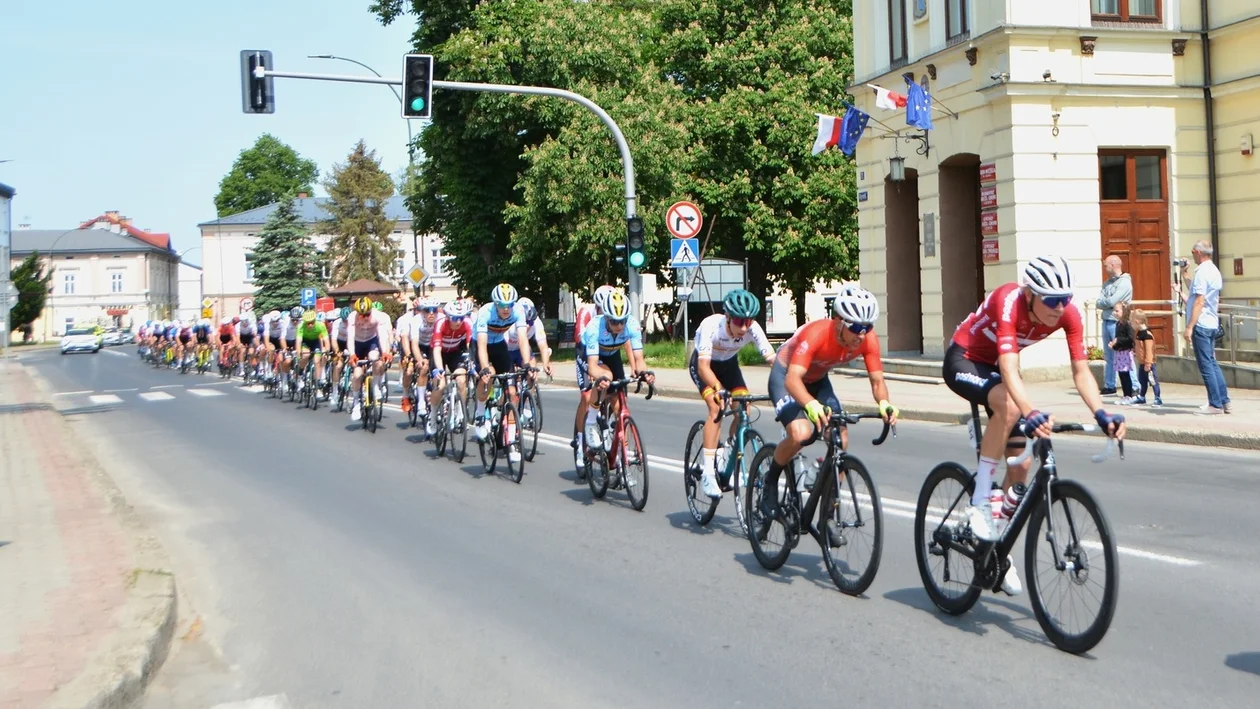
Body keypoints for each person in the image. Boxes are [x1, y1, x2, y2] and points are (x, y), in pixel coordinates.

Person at [943, 255, 1126, 596]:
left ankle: (998, 551)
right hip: (965, 359)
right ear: (1031, 294)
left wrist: (1102, 414)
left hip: (996, 371)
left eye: (1065, 299)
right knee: (1011, 406)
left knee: (1022, 464)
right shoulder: (1009, 300)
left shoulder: (1067, 315)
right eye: (1051, 301)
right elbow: (1011, 371)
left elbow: (1081, 371)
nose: (1060, 308)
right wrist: (1030, 411)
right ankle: (982, 497)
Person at [761, 284, 899, 520]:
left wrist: (885, 403)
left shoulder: (867, 340)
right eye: (856, 327)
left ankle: (827, 517)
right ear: (838, 321)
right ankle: (770, 480)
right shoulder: (816, 334)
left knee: (841, 440)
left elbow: (877, 381)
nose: (862, 334)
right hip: (786, 377)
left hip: (818, 380)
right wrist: (811, 406)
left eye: (867, 327)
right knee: (802, 433)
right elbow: (793, 380)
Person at [690, 288, 776, 499]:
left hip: (729, 367)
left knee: (743, 407)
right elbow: (703, 367)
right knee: (717, 406)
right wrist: (718, 388)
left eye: (749, 321)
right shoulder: (711, 325)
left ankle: (727, 452)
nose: (745, 327)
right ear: (728, 317)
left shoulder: (752, 329)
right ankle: (709, 472)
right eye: (739, 321)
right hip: (706, 368)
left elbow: (774, 360)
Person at [576, 291, 655, 478]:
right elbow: (594, 366)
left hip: (612, 355)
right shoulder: (595, 327)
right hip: (589, 355)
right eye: (614, 322)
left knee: (621, 407)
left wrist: (644, 373)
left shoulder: (632, 326)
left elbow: (639, 359)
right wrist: (601, 379)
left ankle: (620, 455)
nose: (619, 326)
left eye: (622, 321)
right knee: (606, 376)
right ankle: (590, 423)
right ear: (607, 318)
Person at [471, 284, 532, 463]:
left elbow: (522, 339)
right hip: (479, 344)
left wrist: (526, 363)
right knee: (488, 375)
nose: (506, 309)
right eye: (502, 305)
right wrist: (484, 368)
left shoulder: (518, 310)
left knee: (512, 392)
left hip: (498, 344)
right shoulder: (485, 313)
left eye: (510, 305)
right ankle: (481, 415)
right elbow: (482, 345)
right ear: (495, 303)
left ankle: (511, 441)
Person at [571, 285, 617, 474]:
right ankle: (581, 441)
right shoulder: (586, 312)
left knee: (614, 391)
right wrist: (593, 368)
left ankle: (611, 431)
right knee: (586, 396)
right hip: (586, 353)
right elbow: (581, 338)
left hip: (606, 353)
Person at [1183, 240, 1231, 414]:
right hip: (1211, 322)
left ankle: (1215, 404)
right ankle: (1224, 401)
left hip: (1201, 324)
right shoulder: (1213, 270)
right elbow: (1197, 291)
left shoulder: (1202, 272)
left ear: (1197, 252)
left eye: (1193, 252)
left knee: (1206, 365)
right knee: (1212, 362)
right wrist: (1185, 274)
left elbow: (1199, 300)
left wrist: (1189, 327)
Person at [427, 299, 475, 437]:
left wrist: (472, 363)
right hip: (439, 352)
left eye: (461, 317)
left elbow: (470, 345)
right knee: (440, 385)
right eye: (455, 318)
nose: (458, 321)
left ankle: (460, 413)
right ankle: (433, 415)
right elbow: (436, 350)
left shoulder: (467, 322)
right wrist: (439, 369)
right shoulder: (440, 323)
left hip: (455, 352)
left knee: (461, 380)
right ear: (448, 317)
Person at [345, 297, 394, 422]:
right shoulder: (352, 317)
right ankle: (356, 402)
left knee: (375, 359)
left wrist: (385, 352)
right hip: (357, 343)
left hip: (372, 341)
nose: (365, 318)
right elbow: (350, 337)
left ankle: (376, 386)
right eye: (362, 315)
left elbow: (382, 335)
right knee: (357, 375)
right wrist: (352, 354)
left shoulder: (378, 316)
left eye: (367, 314)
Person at [1096, 255, 1132, 396]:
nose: (1104, 268)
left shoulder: (1124, 283)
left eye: (1106, 265)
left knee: (1124, 354)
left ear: (1113, 265)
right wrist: (1106, 303)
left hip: (1117, 322)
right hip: (1106, 320)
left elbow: (1112, 301)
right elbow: (1099, 301)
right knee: (1109, 355)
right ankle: (1110, 385)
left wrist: (1106, 303)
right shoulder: (1107, 282)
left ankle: (1133, 385)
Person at [1131, 308, 1162, 407]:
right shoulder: (1138, 333)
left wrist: (1148, 363)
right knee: (1142, 381)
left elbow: (1149, 351)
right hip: (1141, 363)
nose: (1131, 324)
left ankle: (1157, 398)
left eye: (1131, 322)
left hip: (1149, 363)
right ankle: (1142, 396)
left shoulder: (1147, 335)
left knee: (1153, 381)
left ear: (1137, 321)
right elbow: (1137, 346)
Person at [1108, 303, 1136, 404]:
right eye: (1114, 311)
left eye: (1117, 311)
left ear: (1124, 312)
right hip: (1119, 353)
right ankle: (1125, 395)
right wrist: (1113, 345)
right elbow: (1117, 339)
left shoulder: (1128, 324)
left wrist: (1118, 340)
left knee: (1126, 374)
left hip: (1126, 353)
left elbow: (1130, 339)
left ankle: (1129, 395)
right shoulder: (1118, 324)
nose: (1114, 313)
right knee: (1121, 374)